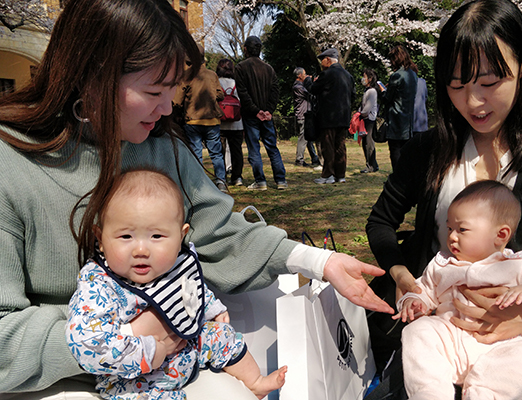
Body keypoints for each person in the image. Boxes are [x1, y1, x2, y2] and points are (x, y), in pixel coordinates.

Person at [0, 0, 393, 397]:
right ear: (91, 76)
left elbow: (219, 231)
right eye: (154, 90)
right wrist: (130, 333)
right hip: (54, 376)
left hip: (172, 360)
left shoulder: (160, 146)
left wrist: (319, 260)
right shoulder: (10, 161)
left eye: (173, 91)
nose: (168, 107)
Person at [364, 0, 522, 398]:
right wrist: (405, 279)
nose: (473, 102)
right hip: (441, 337)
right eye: (457, 85)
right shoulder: (430, 150)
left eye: (489, 83)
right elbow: (380, 223)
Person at [67, 168, 287, 399]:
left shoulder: (176, 263)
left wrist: (211, 308)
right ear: (100, 239)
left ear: (180, 237)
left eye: (157, 237)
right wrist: (149, 352)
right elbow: (87, 343)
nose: (141, 250)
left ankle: (254, 382)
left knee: (221, 335)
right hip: (135, 379)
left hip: (189, 347)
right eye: (126, 237)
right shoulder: (98, 284)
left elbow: (190, 289)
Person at [398, 180, 522, 399]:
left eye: (462, 229)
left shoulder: (520, 265)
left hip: (501, 347)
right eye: (450, 228)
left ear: (500, 235)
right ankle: (430, 393)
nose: (451, 236)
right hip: (449, 340)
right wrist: (415, 301)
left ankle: (485, 393)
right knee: (418, 331)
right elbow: (423, 288)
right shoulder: (443, 264)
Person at [234, 36, 287, 191]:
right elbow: (275, 91)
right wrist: (268, 111)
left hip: (251, 115)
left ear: (245, 49)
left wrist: (256, 111)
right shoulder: (269, 68)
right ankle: (281, 180)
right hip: (267, 115)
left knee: (254, 148)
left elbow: (242, 93)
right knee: (272, 147)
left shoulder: (241, 67)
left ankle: (260, 181)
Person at [173, 44, 228, 193]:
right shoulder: (212, 75)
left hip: (193, 120)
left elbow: (176, 101)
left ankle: (199, 183)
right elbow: (221, 94)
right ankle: (221, 182)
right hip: (212, 120)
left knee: (196, 152)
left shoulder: (186, 75)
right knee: (216, 153)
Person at [306, 48, 355, 185]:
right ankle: (341, 175)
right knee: (340, 146)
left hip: (328, 117)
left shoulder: (327, 74)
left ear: (328, 60)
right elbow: (353, 95)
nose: (321, 63)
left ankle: (328, 174)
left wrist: (308, 81)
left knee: (327, 145)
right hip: (344, 116)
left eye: (322, 60)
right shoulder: (348, 75)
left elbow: (314, 90)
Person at [379, 45, 418, 171]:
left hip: (396, 119)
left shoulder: (397, 75)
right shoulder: (413, 74)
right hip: (408, 118)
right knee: (406, 153)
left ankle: (397, 178)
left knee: (395, 151)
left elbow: (387, 98)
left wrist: (382, 91)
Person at [216, 58, 245, 187]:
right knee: (236, 151)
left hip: (220, 122)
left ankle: (221, 177)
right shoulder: (237, 83)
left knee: (219, 151)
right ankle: (237, 176)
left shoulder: (216, 83)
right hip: (237, 123)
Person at [292, 67, 321, 168]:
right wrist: (312, 84)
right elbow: (310, 95)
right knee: (303, 138)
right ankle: (299, 159)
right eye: (304, 74)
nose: (306, 76)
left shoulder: (300, 86)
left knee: (308, 137)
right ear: (299, 75)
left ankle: (314, 158)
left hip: (306, 115)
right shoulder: (298, 87)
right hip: (302, 115)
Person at [359, 68, 380, 174]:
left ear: (370, 79)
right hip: (366, 119)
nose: (363, 79)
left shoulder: (371, 91)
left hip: (369, 120)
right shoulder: (367, 91)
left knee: (368, 143)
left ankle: (371, 165)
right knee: (366, 143)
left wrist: (360, 113)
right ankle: (372, 164)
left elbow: (368, 107)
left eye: (365, 76)